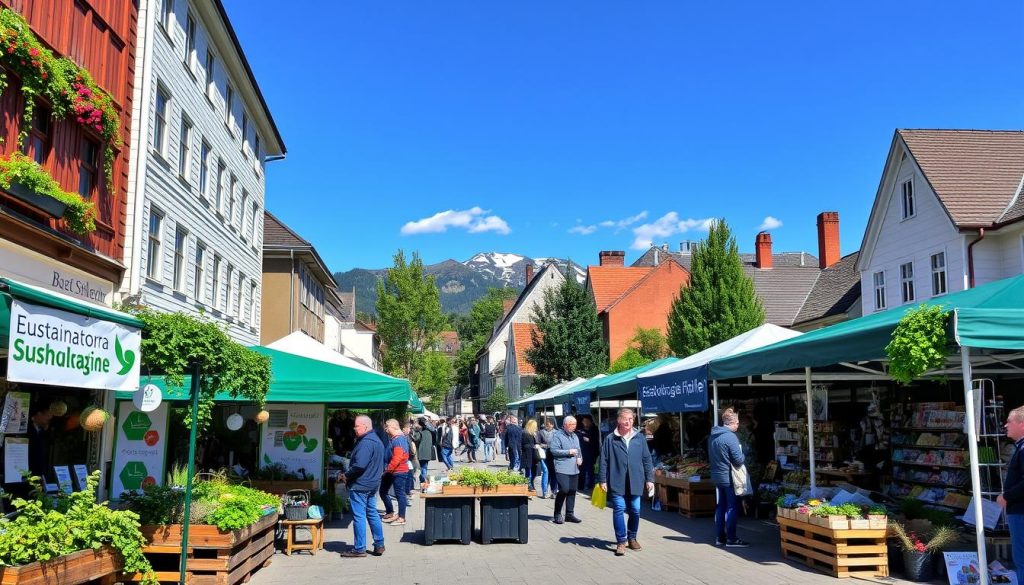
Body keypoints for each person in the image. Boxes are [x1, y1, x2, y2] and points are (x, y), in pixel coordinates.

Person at [598, 408, 654, 556]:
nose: (629, 422)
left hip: (636, 480)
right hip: (617, 480)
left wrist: (650, 479)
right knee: (619, 509)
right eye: (626, 419)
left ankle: (632, 537)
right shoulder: (611, 438)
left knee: (635, 510)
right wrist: (602, 479)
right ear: (619, 420)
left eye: (631, 419)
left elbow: (647, 459)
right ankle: (621, 541)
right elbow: (603, 460)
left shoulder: (639, 438)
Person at [338, 415, 386, 557]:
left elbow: (359, 465)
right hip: (372, 483)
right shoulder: (377, 440)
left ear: (365, 426)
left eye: (356, 426)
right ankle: (379, 544)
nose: (354, 429)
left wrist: (346, 475)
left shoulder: (366, 442)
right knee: (372, 513)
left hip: (361, 484)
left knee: (359, 516)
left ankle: (359, 548)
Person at [709, 408, 749, 547]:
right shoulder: (730, 437)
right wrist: (744, 453)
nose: (738, 426)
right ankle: (731, 538)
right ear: (732, 423)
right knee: (732, 507)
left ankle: (720, 537)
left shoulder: (713, 435)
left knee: (721, 506)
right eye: (737, 423)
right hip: (729, 477)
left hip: (717, 476)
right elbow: (738, 460)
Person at [998, 406, 1024, 585]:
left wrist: (1007, 496)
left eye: (1009, 421)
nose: (1006, 425)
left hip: (1021, 512)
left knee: (1021, 559)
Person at [549, 416, 583, 524]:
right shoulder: (557, 436)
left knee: (572, 490)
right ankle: (557, 513)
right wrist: (568, 452)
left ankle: (569, 514)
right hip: (562, 467)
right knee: (564, 489)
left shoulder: (575, 436)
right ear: (565, 425)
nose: (574, 427)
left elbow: (578, 450)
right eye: (572, 424)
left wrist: (580, 458)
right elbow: (553, 451)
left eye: (575, 424)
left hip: (574, 468)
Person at [380, 419, 411, 526]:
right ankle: (391, 512)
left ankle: (401, 517)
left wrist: (388, 469)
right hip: (393, 470)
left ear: (393, 427)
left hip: (398, 471)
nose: (385, 429)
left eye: (387, 427)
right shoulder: (396, 439)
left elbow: (397, 458)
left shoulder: (398, 440)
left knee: (400, 494)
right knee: (383, 491)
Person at [577, 415, 600, 491]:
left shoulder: (595, 430)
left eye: (587, 421)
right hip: (582, 453)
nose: (585, 423)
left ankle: (590, 486)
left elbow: (597, 442)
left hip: (592, 453)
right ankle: (580, 486)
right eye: (584, 421)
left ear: (590, 422)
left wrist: (589, 440)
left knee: (591, 471)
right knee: (581, 471)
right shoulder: (580, 431)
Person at [539, 418, 558, 499]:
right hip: (544, 455)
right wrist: (545, 446)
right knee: (546, 472)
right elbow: (538, 442)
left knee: (554, 473)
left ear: (553, 425)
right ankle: (545, 492)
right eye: (546, 424)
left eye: (549, 424)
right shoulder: (541, 432)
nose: (548, 425)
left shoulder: (557, 432)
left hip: (554, 456)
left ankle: (554, 491)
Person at [413, 417, 434, 486]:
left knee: (421, 469)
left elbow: (416, 439)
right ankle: (424, 483)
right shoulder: (430, 431)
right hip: (428, 453)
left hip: (422, 453)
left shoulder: (420, 432)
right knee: (424, 468)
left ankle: (423, 484)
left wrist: (415, 431)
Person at [521, 420, 538, 490]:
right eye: (535, 426)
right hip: (528, 455)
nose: (536, 427)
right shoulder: (525, 433)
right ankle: (528, 485)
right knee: (528, 471)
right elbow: (524, 445)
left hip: (533, 455)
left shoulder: (533, 434)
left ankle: (530, 483)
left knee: (534, 471)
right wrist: (533, 446)